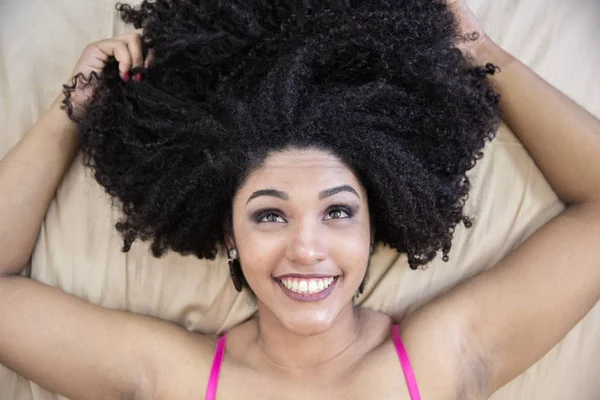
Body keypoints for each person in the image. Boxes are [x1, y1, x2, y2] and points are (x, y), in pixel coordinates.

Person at [1, 0, 599, 399]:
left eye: (339, 211)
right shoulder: (172, 377)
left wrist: (479, 50)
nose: (306, 247)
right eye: (269, 214)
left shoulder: (447, 357)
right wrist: (73, 108)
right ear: (230, 235)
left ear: (375, 225)